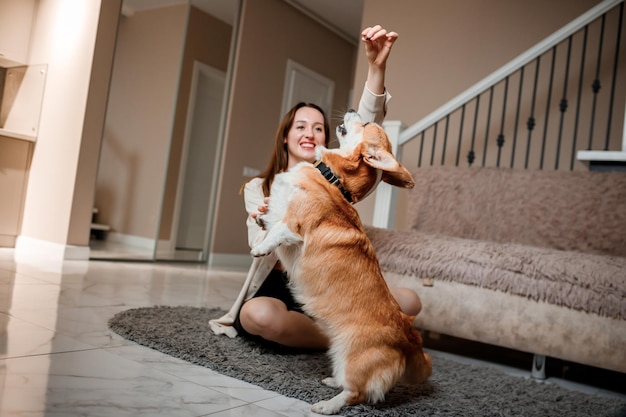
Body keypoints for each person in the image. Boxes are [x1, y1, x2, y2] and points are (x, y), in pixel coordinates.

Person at [209, 25, 422, 349]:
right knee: (258, 316)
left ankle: (350, 332)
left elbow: (365, 127)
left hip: (330, 282)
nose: (310, 133)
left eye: (319, 128)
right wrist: (264, 220)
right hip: (281, 283)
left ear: (328, 139)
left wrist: (376, 68)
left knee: (408, 301)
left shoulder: (333, 180)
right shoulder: (259, 187)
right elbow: (260, 242)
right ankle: (346, 339)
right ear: (285, 135)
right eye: (301, 126)